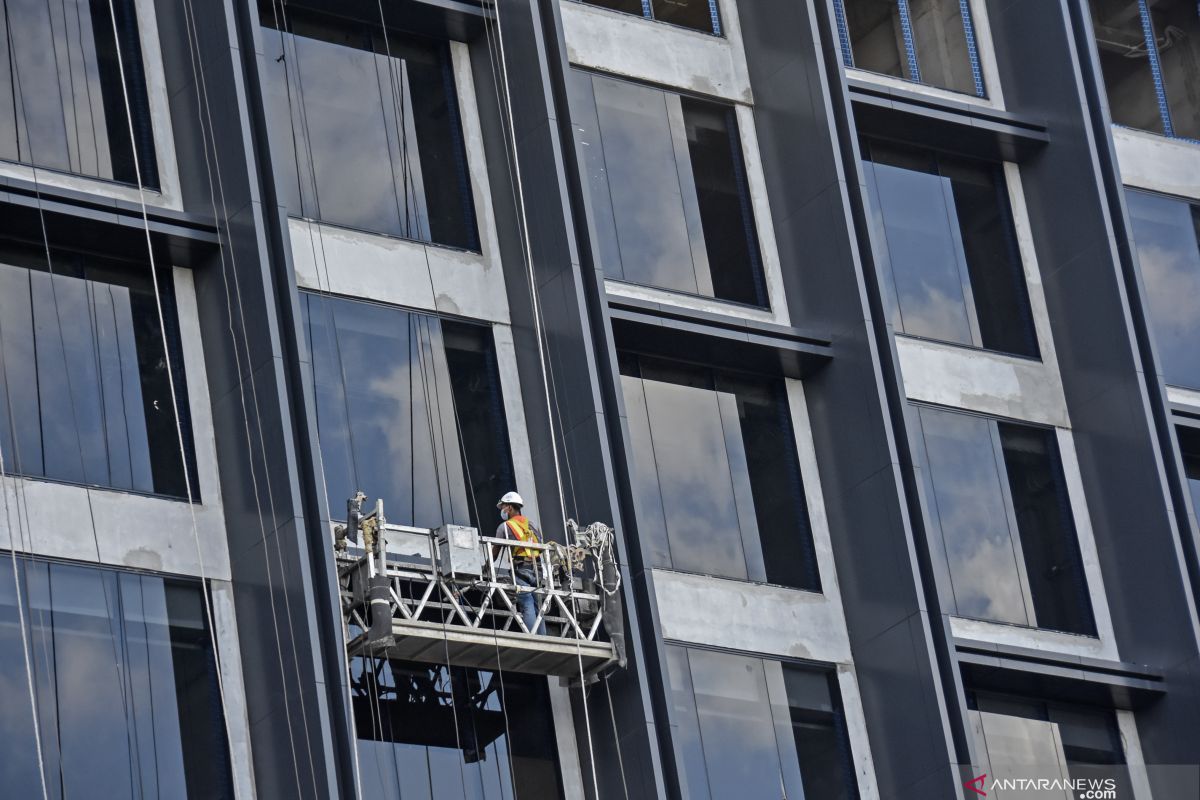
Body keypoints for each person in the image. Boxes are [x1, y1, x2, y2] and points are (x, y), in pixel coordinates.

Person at [496, 491, 546, 634]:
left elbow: (495, 553)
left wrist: (487, 565)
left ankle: (533, 637)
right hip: (537, 569)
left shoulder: (505, 526)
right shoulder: (531, 524)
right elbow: (541, 546)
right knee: (539, 607)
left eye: (503, 507)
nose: (502, 511)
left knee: (527, 604)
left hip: (521, 569)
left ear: (510, 508)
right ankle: (543, 638)